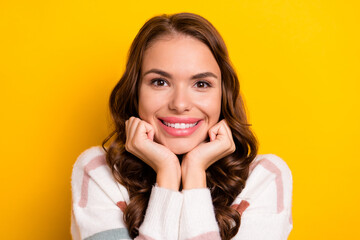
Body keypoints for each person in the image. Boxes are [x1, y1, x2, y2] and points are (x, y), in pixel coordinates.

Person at [71, 12, 293, 240]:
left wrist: (194, 172)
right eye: (160, 82)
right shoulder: (99, 171)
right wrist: (167, 173)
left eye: (201, 84)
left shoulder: (265, 177)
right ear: (135, 92)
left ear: (223, 95)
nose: (180, 104)